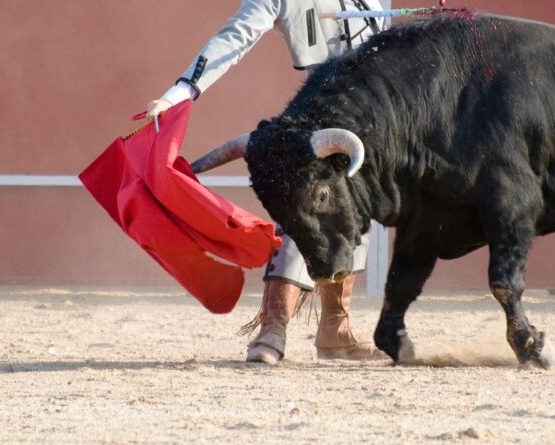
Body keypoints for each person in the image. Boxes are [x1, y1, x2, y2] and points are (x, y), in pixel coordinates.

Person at [146, 0, 389, 364]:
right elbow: (235, 36)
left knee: (357, 208)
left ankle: (335, 328)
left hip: (372, 118)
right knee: (302, 205)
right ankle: (272, 326)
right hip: (315, 113)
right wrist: (180, 92)